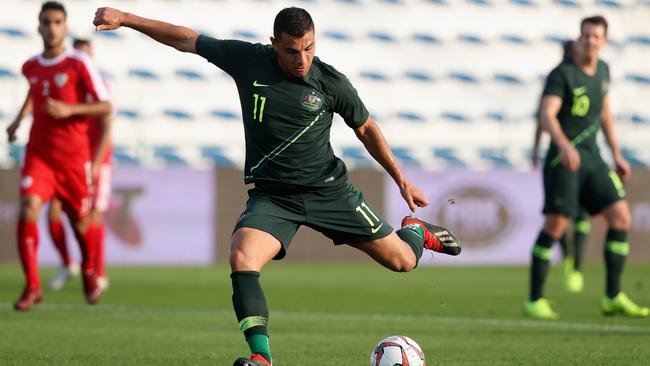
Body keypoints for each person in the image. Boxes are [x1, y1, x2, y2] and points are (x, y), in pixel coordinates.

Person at [93, 6, 461, 366]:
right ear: (273, 43)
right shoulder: (248, 60)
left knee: (403, 261)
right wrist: (127, 19)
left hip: (329, 192)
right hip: (274, 198)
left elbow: (365, 129)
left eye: (309, 48)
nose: (302, 59)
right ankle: (261, 357)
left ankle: (414, 232)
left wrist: (401, 179)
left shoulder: (331, 82)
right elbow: (186, 39)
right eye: (291, 50)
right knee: (242, 257)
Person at [525, 15, 648, 320]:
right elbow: (547, 114)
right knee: (556, 226)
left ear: (604, 41)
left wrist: (617, 154)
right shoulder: (562, 74)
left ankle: (613, 296)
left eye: (596, 37)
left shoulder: (603, 71)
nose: (590, 41)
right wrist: (564, 145)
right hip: (562, 160)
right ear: (579, 39)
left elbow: (605, 114)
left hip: (593, 158)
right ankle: (534, 299)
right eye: (586, 36)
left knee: (621, 217)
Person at [9, 1, 112, 311]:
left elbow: (105, 107)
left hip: (73, 159)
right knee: (28, 208)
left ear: (64, 27)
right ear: (39, 27)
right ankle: (32, 286)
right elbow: (34, 92)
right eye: (46, 22)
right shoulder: (31, 66)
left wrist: (70, 109)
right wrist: (18, 119)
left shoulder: (79, 63)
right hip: (39, 155)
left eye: (57, 22)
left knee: (81, 223)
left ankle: (90, 272)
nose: (52, 27)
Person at [531, 40, 592, 294]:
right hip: (560, 158)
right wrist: (537, 148)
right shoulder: (557, 80)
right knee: (560, 217)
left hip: (585, 156)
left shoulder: (583, 79)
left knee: (582, 214)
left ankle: (575, 264)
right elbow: (543, 118)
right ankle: (569, 260)